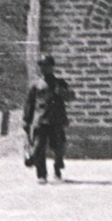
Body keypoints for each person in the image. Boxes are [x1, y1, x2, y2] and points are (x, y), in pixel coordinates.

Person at [23, 53, 73, 184]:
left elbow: (71, 97)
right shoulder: (36, 85)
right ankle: (41, 174)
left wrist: (61, 91)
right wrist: (26, 120)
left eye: (47, 65)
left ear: (52, 67)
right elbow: (29, 103)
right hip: (40, 120)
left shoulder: (60, 83)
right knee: (39, 147)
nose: (44, 68)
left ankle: (57, 169)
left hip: (56, 120)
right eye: (41, 65)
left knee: (58, 147)